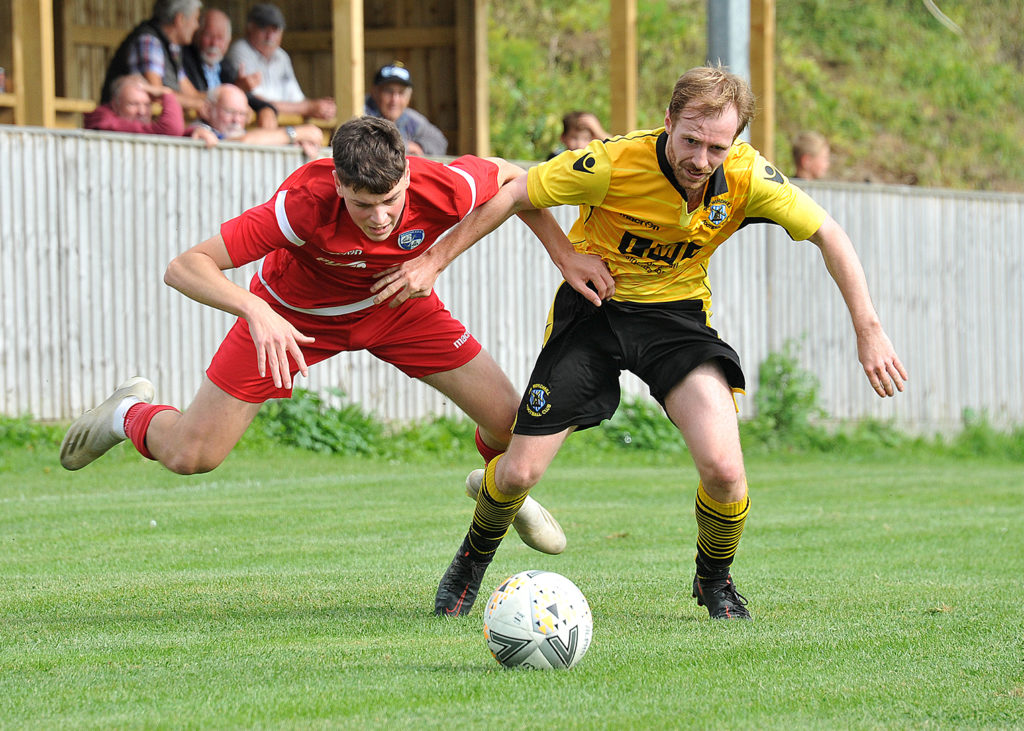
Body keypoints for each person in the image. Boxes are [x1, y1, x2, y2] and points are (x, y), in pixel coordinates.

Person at [371, 65, 909, 621]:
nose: (701, 159)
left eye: (717, 147)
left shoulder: (749, 177)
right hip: (594, 312)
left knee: (726, 472)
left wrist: (868, 329)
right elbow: (515, 192)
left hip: (676, 322)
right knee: (518, 473)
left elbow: (829, 233)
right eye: (690, 141)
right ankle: (470, 563)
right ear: (668, 121)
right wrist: (437, 261)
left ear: (736, 142)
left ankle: (714, 581)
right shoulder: (612, 162)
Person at [59, 116, 599, 556]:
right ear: (338, 183)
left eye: (391, 200)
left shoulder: (443, 185)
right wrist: (254, 310)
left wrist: (553, 254)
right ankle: (124, 415)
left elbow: (514, 180)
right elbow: (184, 266)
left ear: (408, 174)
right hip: (293, 319)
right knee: (191, 455)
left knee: (513, 424)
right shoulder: (302, 205)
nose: (382, 217)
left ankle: (496, 489)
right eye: (363, 205)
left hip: (399, 306)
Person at [225, 3, 336, 122]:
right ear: (249, 28)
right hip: (252, 125)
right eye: (264, 29)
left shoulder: (281, 56)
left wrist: (322, 107)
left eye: (275, 30)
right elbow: (258, 103)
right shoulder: (240, 49)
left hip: (283, 124)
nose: (269, 36)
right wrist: (309, 107)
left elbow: (297, 99)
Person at [99, 0, 205, 115]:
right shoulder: (148, 41)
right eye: (195, 19)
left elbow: (191, 94)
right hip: (123, 125)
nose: (197, 26)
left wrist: (219, 98)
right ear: (180, 19)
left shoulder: (171, 47)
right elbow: (157, 95)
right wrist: (199, 104)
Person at [182, 8, 278, 128]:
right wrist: (237, 89)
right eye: (208, 36)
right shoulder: (184, 59)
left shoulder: (224, 65)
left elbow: (248, 99)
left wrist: (266, 109)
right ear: (196, 34)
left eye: (220, 38)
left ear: (228, 41)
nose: (214, 44)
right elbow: (197, 97)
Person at [188, 83, 324, 158]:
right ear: (207, 110)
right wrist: (293, 134)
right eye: (229, 112)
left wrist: (295, 144)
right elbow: (241, 143)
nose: (236, 120)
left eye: (242, 114)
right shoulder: (199, 130)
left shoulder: (239, 133)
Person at [365, 62, 448, 157]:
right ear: (375, 92)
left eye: (401, 93)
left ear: (409, 96)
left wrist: (420, 146)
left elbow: (440, 142)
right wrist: (405, 147)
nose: (395, 100)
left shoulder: (411, 118)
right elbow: (360, 144)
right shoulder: (361, 112)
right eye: (388, 91)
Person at [84, 74, 185, 137]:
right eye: (133, 104)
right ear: (115, 106)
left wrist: (194, 131)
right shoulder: (104, 120)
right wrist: (166, 93)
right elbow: (171, 129)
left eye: (147, 105)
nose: (142, 112)